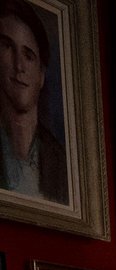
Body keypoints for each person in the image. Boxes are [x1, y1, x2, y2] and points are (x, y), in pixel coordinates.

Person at [0, 0, 66, 202]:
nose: (19, 66)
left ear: (41, 75)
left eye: (28, 56)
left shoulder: (60, 161)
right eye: (8, 47)